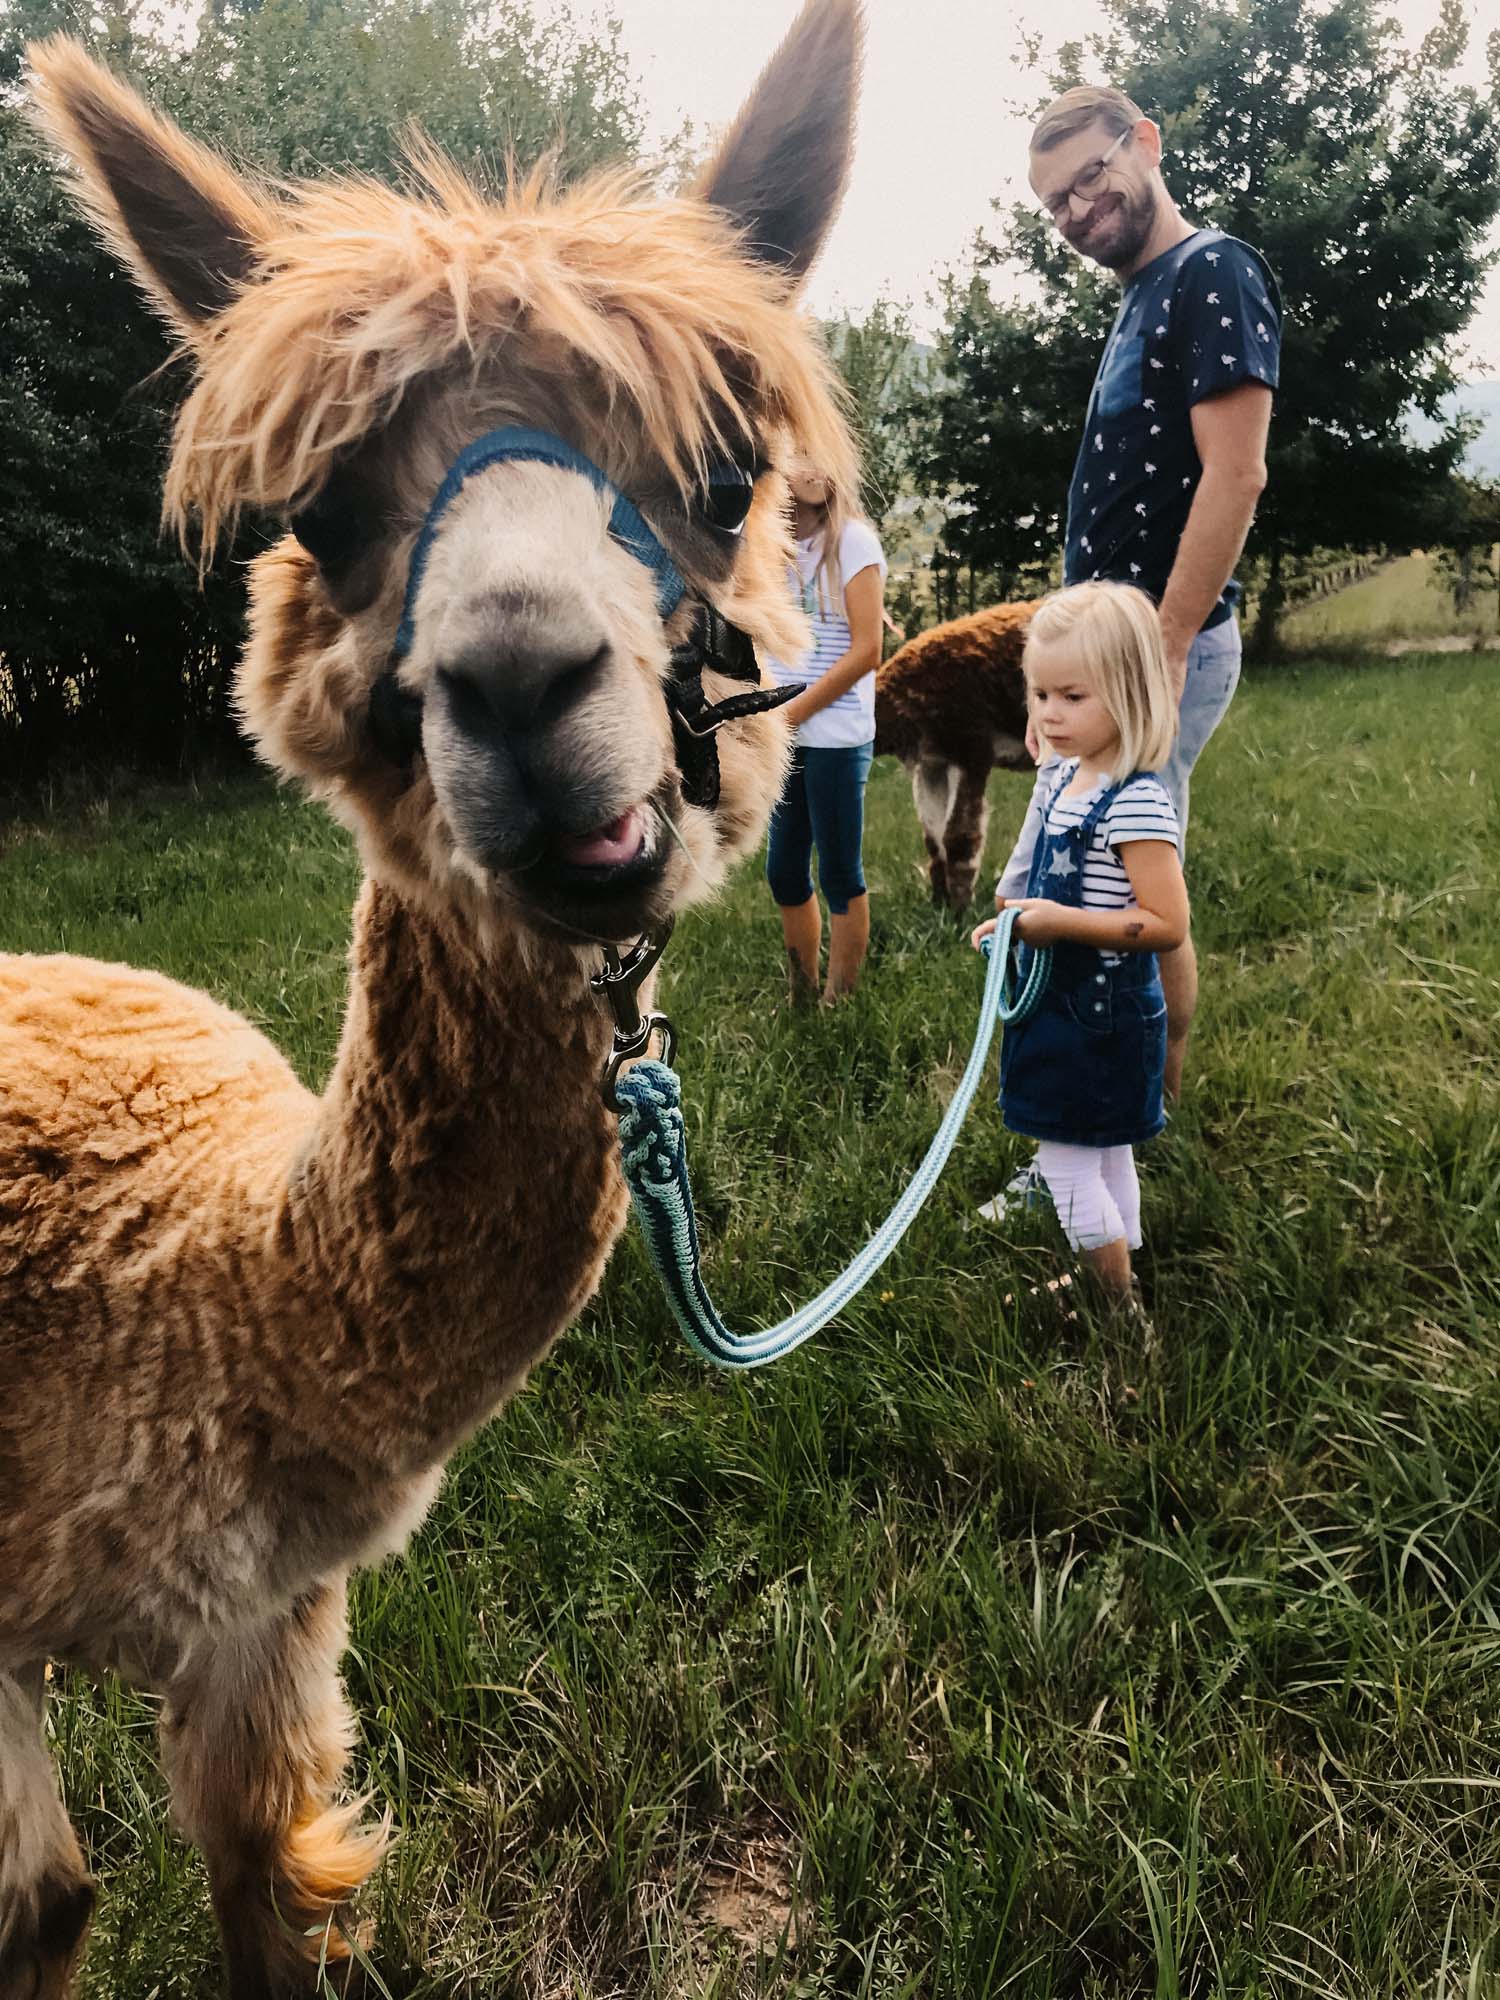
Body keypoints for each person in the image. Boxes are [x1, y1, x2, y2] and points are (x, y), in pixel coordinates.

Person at [1018, 83, 1281, 1101]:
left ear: (1145, 143)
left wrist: (1161, 649)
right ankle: (1127, 1103)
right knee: (1080, 870)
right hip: (1108, 661)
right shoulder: (1145, 293)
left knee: (1122, 885)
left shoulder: (1211, 270)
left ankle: (1119, 1116)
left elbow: (1235, 473)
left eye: (1090, 176)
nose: (1079, 210)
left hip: (1156, 654)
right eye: (1058, 204)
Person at [972, 583, 1187, 1305]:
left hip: (1102, 1017)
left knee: (1066, 1169)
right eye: (1037, 695)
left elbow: (1164, 924)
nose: (1047, 715)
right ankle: (1119, 1269)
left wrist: (1053, 924)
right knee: (1104, 1153)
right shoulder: (1066, 776)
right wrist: (1013, 926)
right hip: (1065, 1008)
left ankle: (1113, 1304)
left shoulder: (1135, 801)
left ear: (1126, 695)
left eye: (1071, 696)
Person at [764, 464, 887, 1001]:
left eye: (819, 457)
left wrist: (793, 713)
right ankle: (803, 993)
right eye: (797, 455)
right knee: (784, 870)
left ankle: (842, 1000)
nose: (806, 469)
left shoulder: (854, 543)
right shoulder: (768, 547)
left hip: (836, 737)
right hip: (783, 735)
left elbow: (867, 650)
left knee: (839, 871)